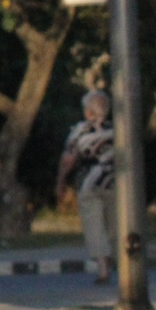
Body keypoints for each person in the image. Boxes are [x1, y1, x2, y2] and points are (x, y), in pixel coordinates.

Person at [56, 89, 116, 284]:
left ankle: (103, 269)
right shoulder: (117, 128)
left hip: (88, 183)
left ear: (88, 112)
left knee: (94, 225)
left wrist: (61, 182)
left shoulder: (80, 130)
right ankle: (117, 262)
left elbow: (68, 159)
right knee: (113, 225)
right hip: (113, 183)